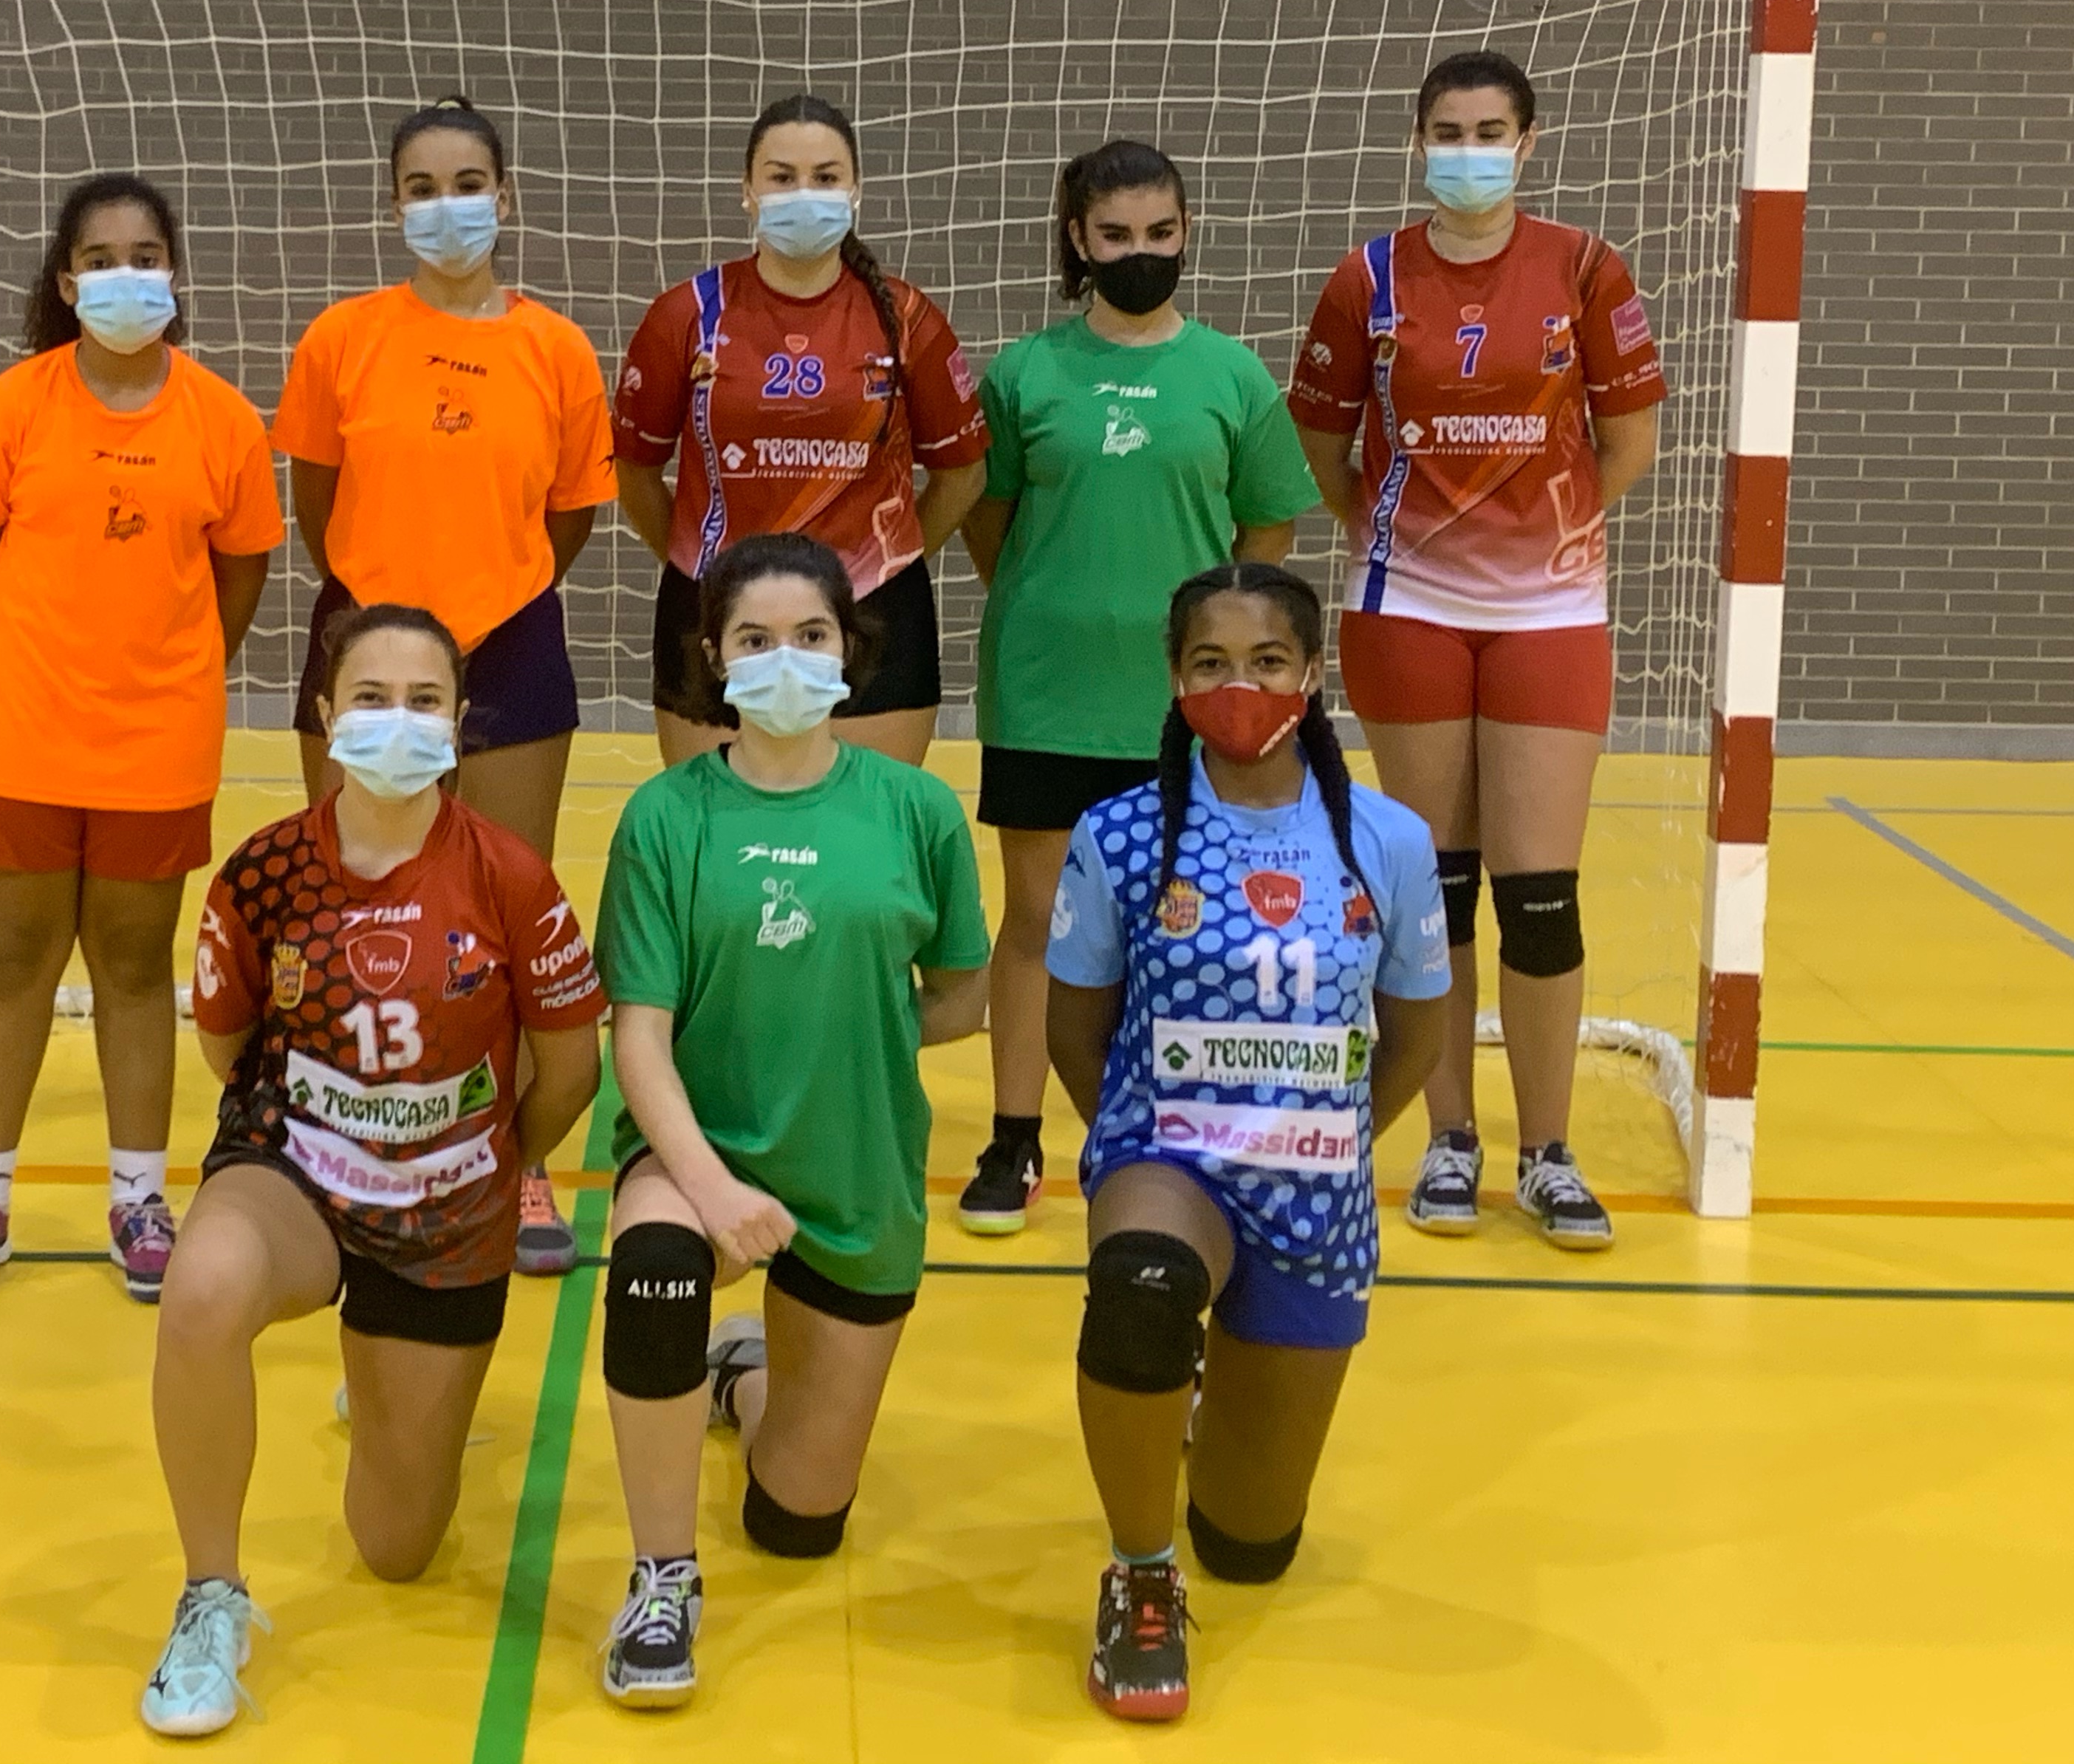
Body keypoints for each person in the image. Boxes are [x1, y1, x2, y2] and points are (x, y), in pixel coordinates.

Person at [139, 603, 606, 1737]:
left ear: (459, 723)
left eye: (424, 701)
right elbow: (225, 1046)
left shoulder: (510, 876)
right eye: (371, 699)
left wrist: (491, 1164)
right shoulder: (264, 874)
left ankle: (386, 1367)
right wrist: (325, 1127)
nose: (398, 722)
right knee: (201, 1291)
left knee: (396, 1547)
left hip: (447, 1213)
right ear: (325, 712)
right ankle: (211, 1598)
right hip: (296, 1172)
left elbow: (570, 1069)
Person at [587, 532, 990, 1709]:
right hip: (694, 1157)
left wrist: (848, 1037)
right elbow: (639, 1037)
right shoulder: (665, 817)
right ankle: (662, 1579)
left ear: (848, 651)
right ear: (714, 659)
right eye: (754, 639)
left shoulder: (918, 809)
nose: (785, 659)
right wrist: (711, 1188)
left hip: (856, 1168)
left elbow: (958, 996)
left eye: (810, 635)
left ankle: (739, 1380)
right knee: (656, 1271)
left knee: (799, 1519)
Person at [1047, 562, 1451, 1720]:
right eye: (1211, 663)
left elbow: (1416, 1035)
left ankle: (1205, 1390)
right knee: (1142, 1283)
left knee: (1250, 1544)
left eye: (1267, 661)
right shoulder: (1122, 836)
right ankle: (1139, 1575)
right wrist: (1142, 1143)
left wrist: (1327, 1135)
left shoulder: (1388, 838)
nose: (1241, 685)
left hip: (1316, 1191)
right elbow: (1075, 1028)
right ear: (1176, 681)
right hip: (1170, 1163)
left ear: (1311, 675)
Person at [1287, 50, 1667, 1250]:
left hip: (1550, 614)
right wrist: (1398, 536)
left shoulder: (1584, 267)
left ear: (1527, 141)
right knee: (1435, 884)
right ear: (1418, 142)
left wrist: (1538, 541)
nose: (1468, 151)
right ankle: (1448, 1136)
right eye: (1447, 131)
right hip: (1405, 607)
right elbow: (1322, 442)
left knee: (1540, 895)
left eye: (1489, 130)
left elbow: (1628, 440)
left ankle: (1549, 1151)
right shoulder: (1368, 277)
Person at [0, 174, 283, 1307]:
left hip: (157, 741)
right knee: (12, 962)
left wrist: (160, 668)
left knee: (132, 968)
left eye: (146, 256)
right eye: (102, 259)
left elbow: (240, 576)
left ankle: (140, 1199)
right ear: (67, 283)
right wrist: (49, 658)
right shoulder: (4, 412)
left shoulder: (222, 421)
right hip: (19, 731)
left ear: (175, 273)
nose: (127, 276)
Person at [272, 95, 616, 1273]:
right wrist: (386, 628)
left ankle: (513, 1164)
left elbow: (569, 516)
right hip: (364, 644)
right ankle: (350, 1152)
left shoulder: (557, 348)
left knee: (497, 922)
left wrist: (484, 599)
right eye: (421, 188)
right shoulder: (342, 339)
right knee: (348, 912)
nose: (446, 206)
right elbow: (318, 504)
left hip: (509, 644)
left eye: (468, 184)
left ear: (504, 197)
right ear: (395, 207)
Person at [954, 140, 1317, 1238]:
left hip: (1180, 708)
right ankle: (1015, 1138)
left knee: (1179, 921)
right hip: (1045, 688)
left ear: (1187, 232)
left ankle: (1170, 1134)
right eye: (1116, 236)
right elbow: (988, 522)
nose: (1140, 252)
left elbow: (1265, 532)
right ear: (1079, 240)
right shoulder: (1025, 374)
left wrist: (1208, 649)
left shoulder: (1232, 377)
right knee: (1036, 919)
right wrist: (1065, 603)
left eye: (1161, 232)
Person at [613, 94, 989, 769]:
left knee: (869, 828)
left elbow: (963, 474)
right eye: (782, 177)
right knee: (716, 824)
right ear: (748, 191)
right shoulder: (684, 316)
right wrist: (705, 565)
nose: (804, 194)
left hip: (874, 610)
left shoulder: (908, 318)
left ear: (855, 191)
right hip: (714, 607)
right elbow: (635, 472)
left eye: (825, 177)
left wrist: (888, 559)